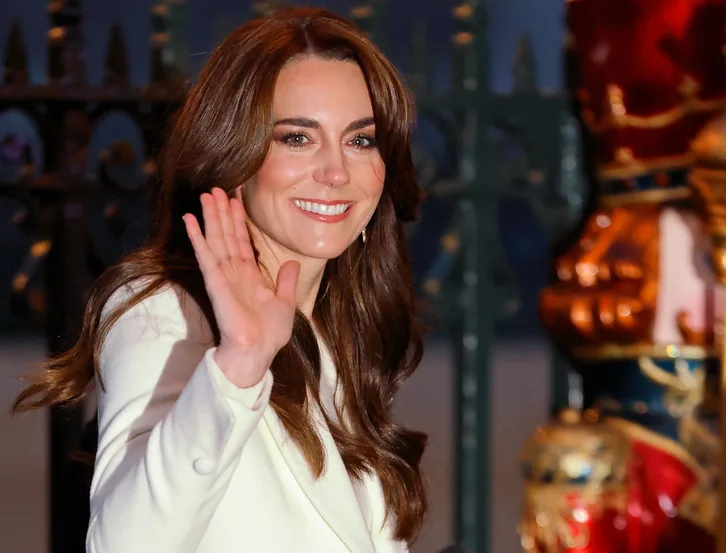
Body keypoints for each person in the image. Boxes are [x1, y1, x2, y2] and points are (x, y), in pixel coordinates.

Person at [12, 7, 428, 553]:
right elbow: (124, 544)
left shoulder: (337, 326)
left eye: (361, 140)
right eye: (297, 138)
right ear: (233, 155)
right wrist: (238, 366)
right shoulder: (164, 310)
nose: (336, 172)